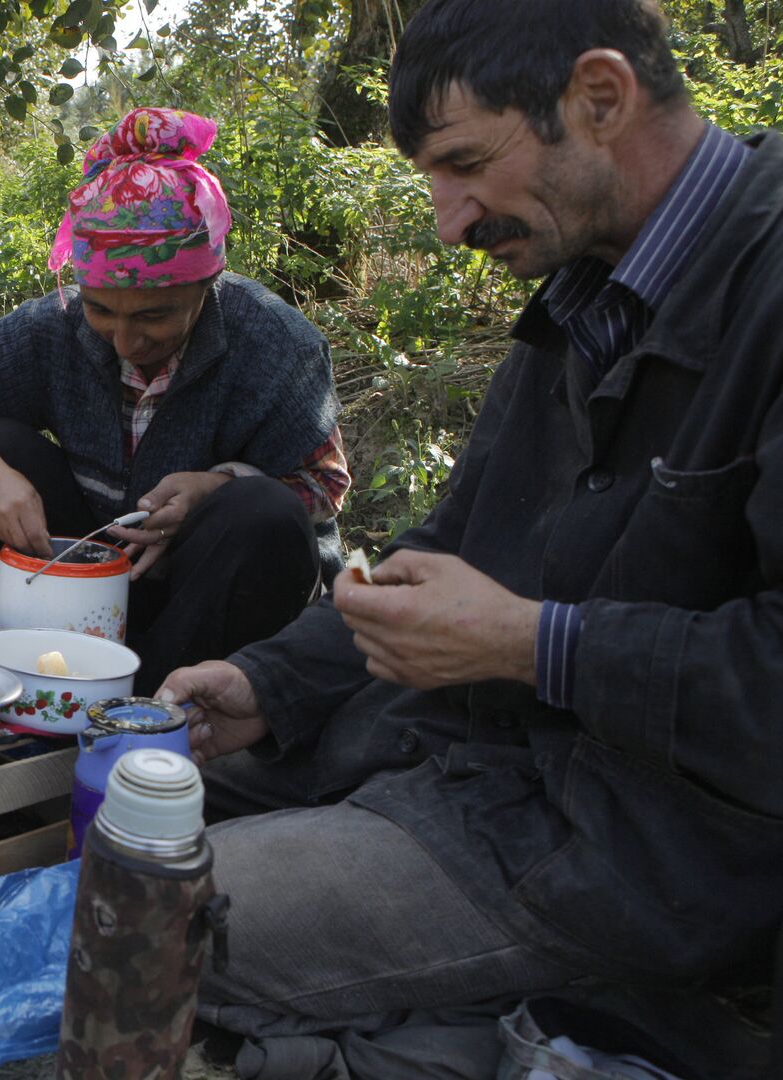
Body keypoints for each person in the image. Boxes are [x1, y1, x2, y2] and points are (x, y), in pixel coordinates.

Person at [158, 0, 783, 1071]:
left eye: (464, 165)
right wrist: (274, 683)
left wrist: (535, 644)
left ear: (600, 98)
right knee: (119, 795)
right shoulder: (585, 296)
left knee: (149, 920)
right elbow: (454, 547)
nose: (449, 223)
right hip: (456, 757)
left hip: (628, 850)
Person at [0, 107, 350, 691]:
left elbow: (324, 484)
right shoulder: (59, 324)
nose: (126, 341)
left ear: (206, 285)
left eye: (155, 316)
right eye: (102, 311)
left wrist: (217, 489)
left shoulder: (279, 345)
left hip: (209, 598)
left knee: (263, 514)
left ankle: (163, 710)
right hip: (92, 576)